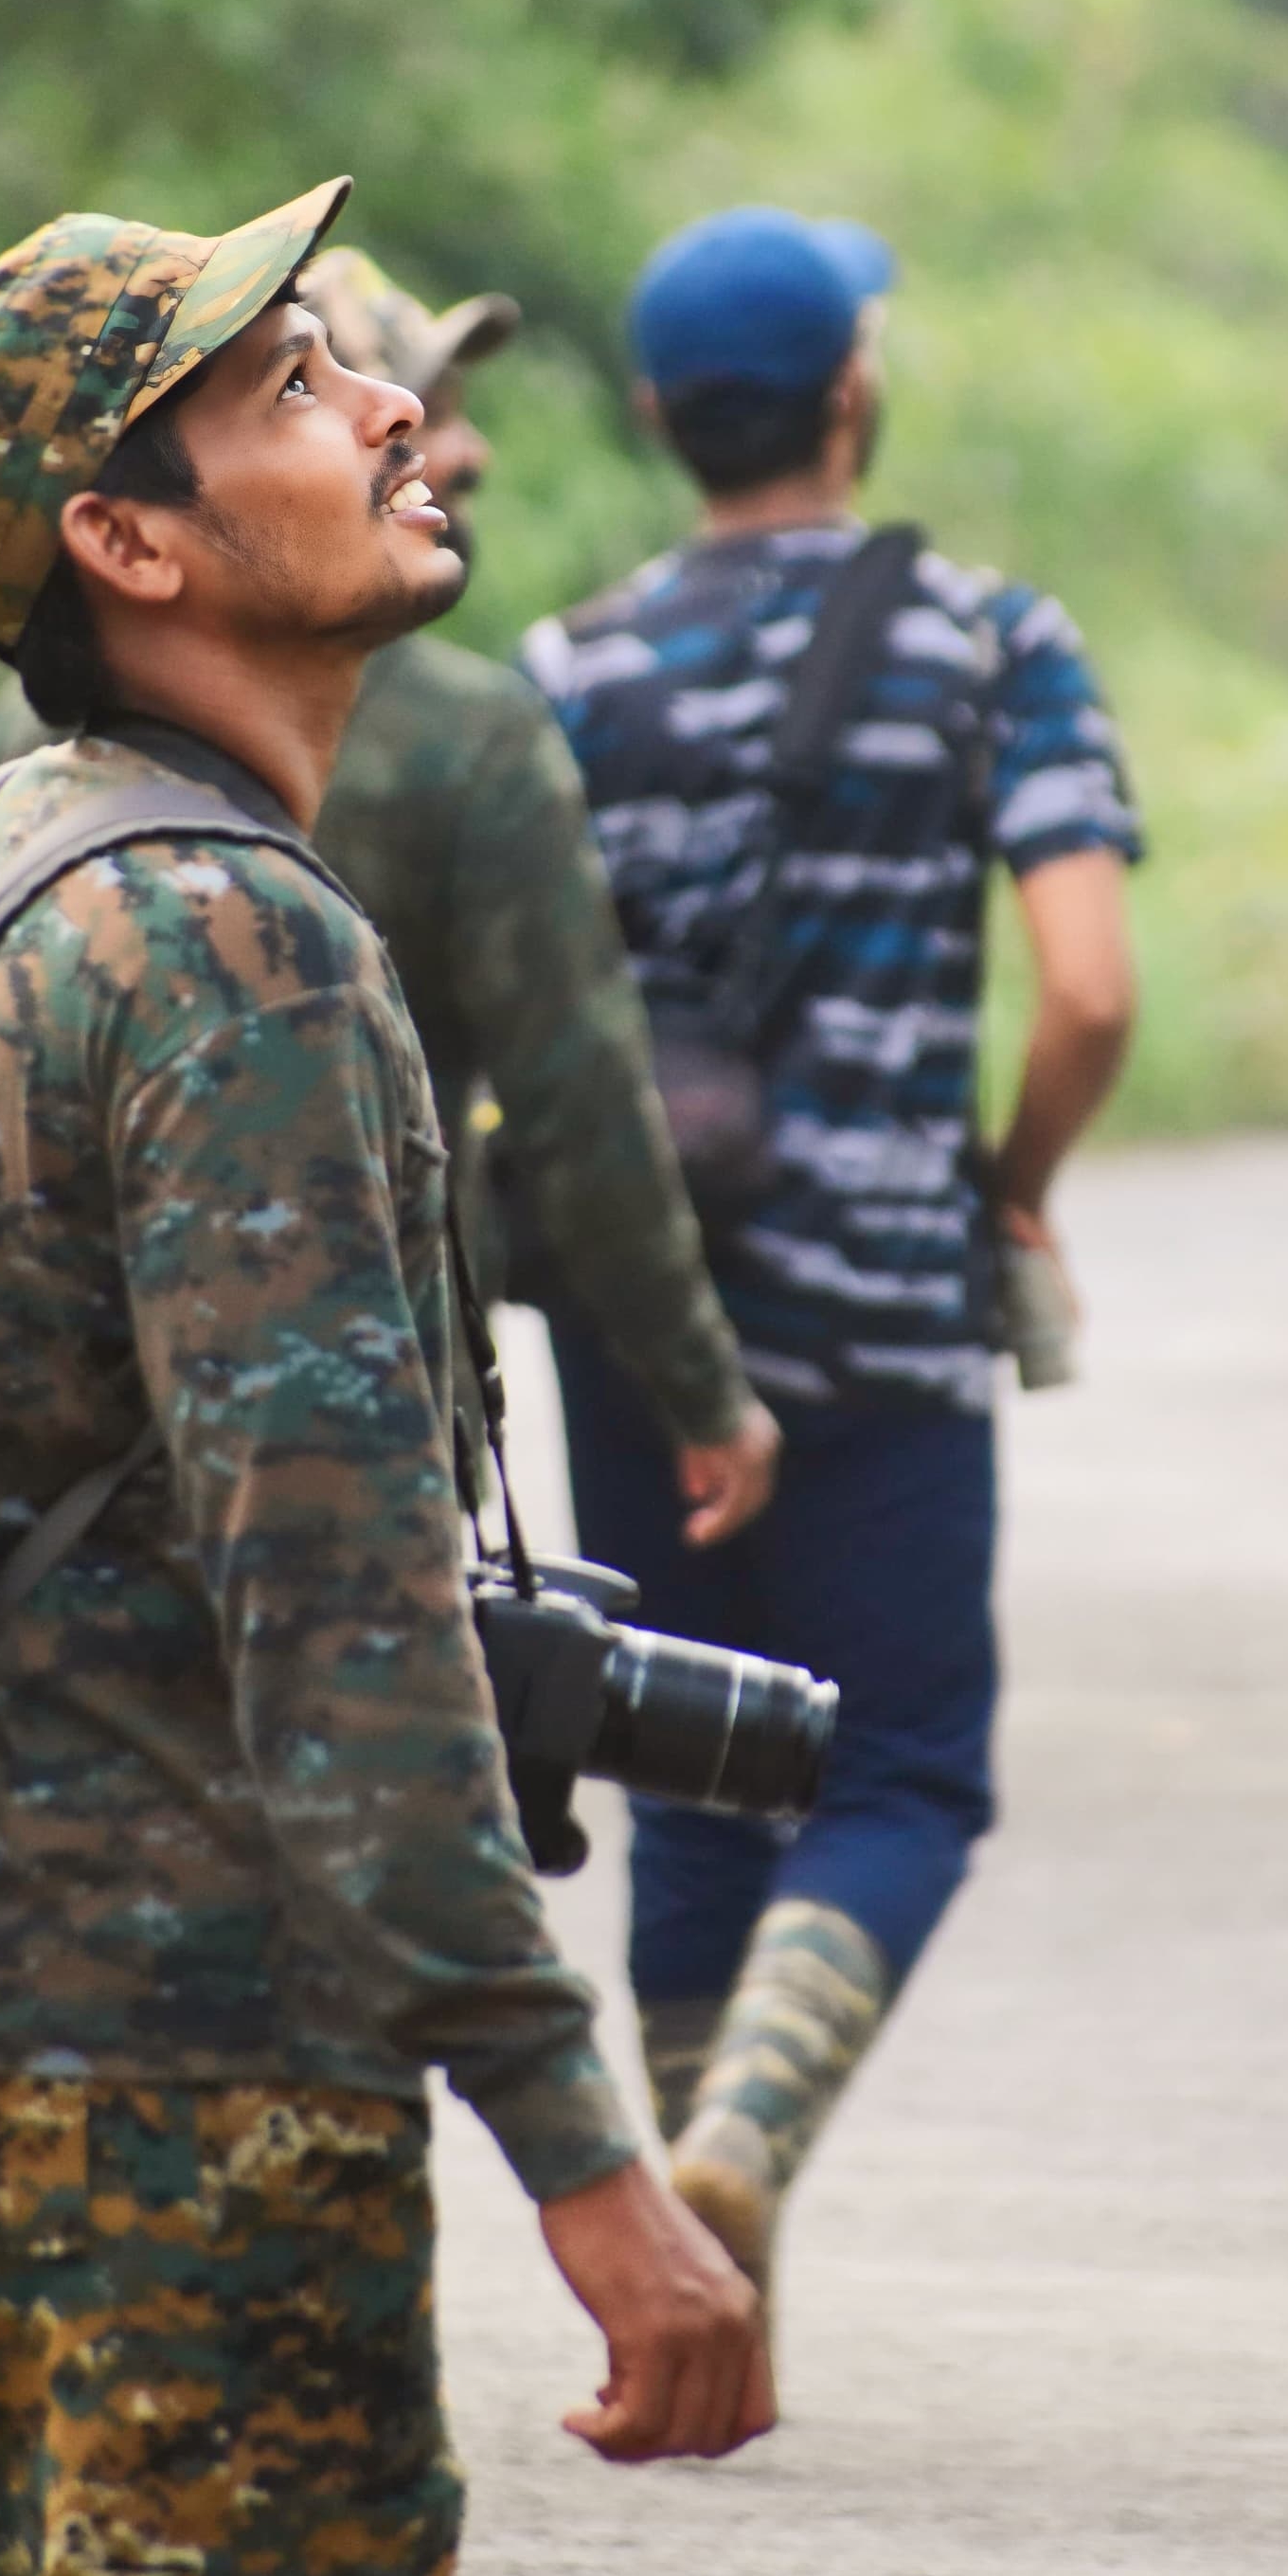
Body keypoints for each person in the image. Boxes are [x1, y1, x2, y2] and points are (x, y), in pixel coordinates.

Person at [0, 180, 771, 2576]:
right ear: (123, 540)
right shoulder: (242, 952)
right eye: (282, 388)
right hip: (198, 2076)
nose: (386, 403)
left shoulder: (3, 867)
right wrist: (593, 2163)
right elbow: (341, 1616)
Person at [521, 202, 1142, 2297]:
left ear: (653, 418)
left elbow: (523, 1006)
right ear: (852, 392)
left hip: (637, 1298)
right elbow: (1088, 989)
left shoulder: (571, 667)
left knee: (686, 1768)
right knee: (893, 1768)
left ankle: (708, 2279)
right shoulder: (992, 641)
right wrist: (1018, 1178)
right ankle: (753, 2134)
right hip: (882, 1298)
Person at [0, 237, 782, 1551]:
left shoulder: (14, 767)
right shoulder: (464, 755)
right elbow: (582, 1105)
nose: (437, 445)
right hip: (362, 1450)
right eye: (311, 389)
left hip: (53, 1498)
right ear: (126, 540)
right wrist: (698, 1386)